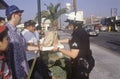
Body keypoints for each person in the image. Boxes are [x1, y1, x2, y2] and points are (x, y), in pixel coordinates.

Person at [53, 15, 95, 79]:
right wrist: (58, 41)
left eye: (70, 23)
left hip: (80, 66)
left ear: (75, 24)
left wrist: (59, 49)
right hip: (86, 62)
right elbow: (70, 41)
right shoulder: (81, 31)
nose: (69, 25)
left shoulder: (77, 34)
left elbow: (73, 55)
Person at [5, 5, 40, 79]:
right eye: (20, 15)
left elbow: (25, 47)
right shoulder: (5, 31)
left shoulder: (18, 32)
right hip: (13, 73)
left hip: (23, 72)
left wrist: (39, 47)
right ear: (14, 15)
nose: (21, 17)